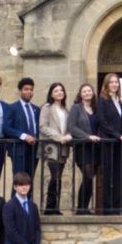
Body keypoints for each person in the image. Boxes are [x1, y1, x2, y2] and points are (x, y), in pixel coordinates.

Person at [67, 83, 101, 215]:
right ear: (80, 94)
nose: (87, 93)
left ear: (93, 93)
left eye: (89, 91)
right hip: (82, 147)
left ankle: (84, 207)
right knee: (87, 175)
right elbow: (72, 127)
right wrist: (87, 137)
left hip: (96, 148)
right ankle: (81, 207)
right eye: (84, 91)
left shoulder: (96, 108)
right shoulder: (76, 108)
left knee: (90, 177)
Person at [39, 82, 71, 216]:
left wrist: (69, 135)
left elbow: (68, 127)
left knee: (59, 177)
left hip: (63, 148)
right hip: (51, 147)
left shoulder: (66, 110)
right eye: (56, 91)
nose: (59, 93)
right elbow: (43, 127)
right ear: (51, 94)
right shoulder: (47, 108)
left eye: (61, 90)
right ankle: (49, 206)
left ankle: (55, 207)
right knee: (54, 176)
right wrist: (59, 137)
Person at [97, 74, 122, 215]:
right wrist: (118, 135)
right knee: (108, 176)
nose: (115, 84)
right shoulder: (102, 100)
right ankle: (108, 208)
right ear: (106, 84)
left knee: (118, 175)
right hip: (108, 143)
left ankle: (117, 206)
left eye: (116, 82)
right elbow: (103, 122)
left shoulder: (120, 101)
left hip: (119, 145)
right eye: (112, 82)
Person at [4, 78, 40, 187]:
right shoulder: (12, 108)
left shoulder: (36, 109)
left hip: (33, 150)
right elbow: (6, 128)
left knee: (29, 181)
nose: (29, 92)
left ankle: (26, 203)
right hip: (18, 149)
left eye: (31, 89)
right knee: (19, 180)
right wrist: (24, 136)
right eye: (26, 89)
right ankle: (15, 204)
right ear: (20, 91)